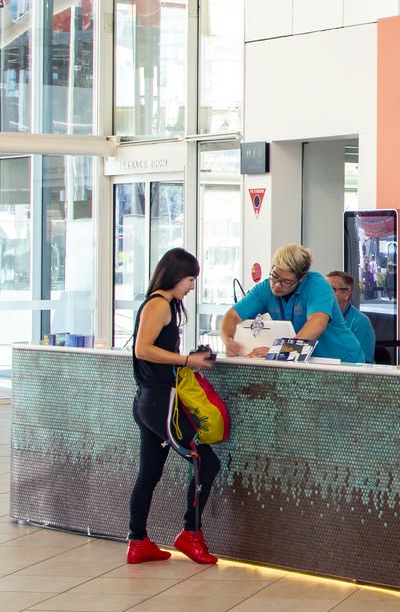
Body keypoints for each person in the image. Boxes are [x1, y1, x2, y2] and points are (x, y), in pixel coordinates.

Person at [127, 246, 223, 566]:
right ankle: (190, 533)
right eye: (190, 279)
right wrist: (185, 359)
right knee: (204, 463)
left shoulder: (162, 304)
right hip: (159, 402)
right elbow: (143, 349)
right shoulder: (159, 304)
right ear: (175, 275)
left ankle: (138, 541)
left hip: (149, 401)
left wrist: (189, 361)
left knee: (150, 472)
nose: (192, 286)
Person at [222, 241, 362, 361]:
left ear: (301, 278)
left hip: (342, 360)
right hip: (303, 360)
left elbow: (317, 324)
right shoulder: (265, 288)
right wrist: (228, 340)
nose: (277, 285)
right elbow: (232, 316)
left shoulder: (317, 285)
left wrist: (278, 352)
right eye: (275, 276)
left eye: (287, 282)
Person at [327, 268, 378, 363]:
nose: (325, 293)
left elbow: (363, 363)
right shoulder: (319, 318)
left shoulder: (360, 322)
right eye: (324, 289)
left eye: (332, 289)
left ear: (346, 294)